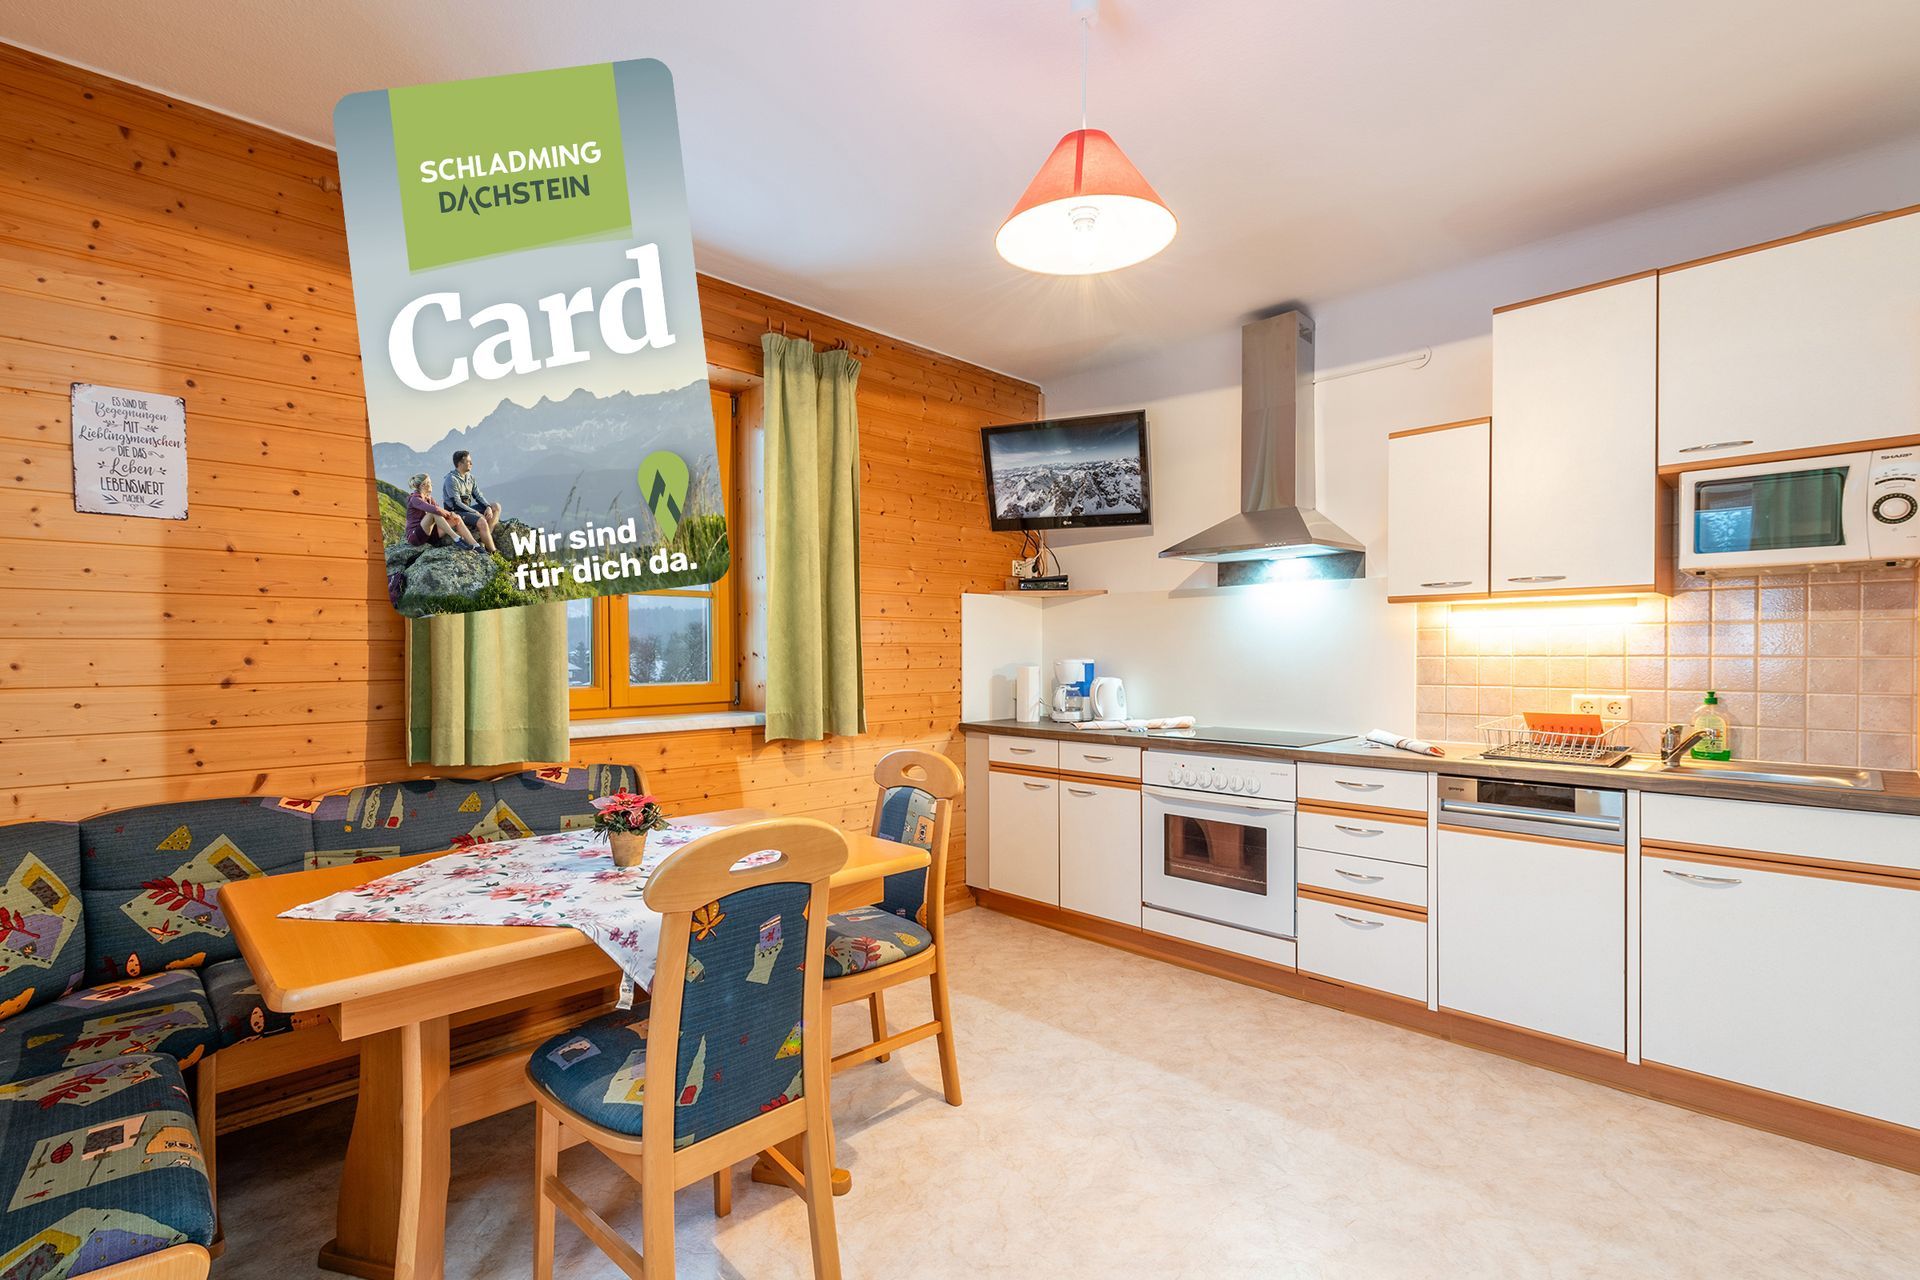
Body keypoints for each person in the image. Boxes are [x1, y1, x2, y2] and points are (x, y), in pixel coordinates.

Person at [403, 473, 487, 552]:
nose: (432, 484)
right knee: (432, 513)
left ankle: (476, 545)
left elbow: (439, 509)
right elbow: (435, 510)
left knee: (457, 519)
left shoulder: (429, 498)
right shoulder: (415, 499)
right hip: (416, 536)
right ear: (423, 485)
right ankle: (457, 539)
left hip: (430, 535)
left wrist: (452, 515)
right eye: (429, 482)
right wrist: (450, 514)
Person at [442, 450, 501, 553]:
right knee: (482, 521)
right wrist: (475, 512)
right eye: (468, 461)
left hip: (467, 509)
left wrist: (487, 506)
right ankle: (493, 552)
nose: (471, 464)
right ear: (460, 463)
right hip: (456, 512)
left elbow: (478, 495)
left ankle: (487, 537)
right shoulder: (451, 479)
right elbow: (456, 504)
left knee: (496, 507)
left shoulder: (470, 477)